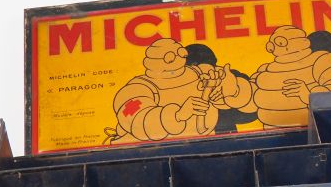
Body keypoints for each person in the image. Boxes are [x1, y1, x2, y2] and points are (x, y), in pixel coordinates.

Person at [108, 38, 254, 144]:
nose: (178, 58)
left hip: (207, 145)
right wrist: (177, 115)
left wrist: (234, 91)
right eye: (170, 57)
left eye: (180, 53)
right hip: (154, 152)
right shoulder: (141, 87)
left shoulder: (200, 73)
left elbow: (256, 101)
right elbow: (135, 118)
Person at [253, 25, 331, 128]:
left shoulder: (322, 61)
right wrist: (242, 90)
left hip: (322, 130)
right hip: (273, 132)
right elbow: (250, 101)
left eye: (280, 42)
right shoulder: (265, 71)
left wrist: (309, 95)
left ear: (304, 42)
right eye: (272, 45)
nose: (275, 47)